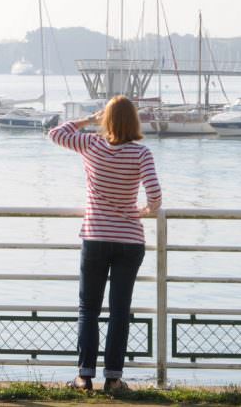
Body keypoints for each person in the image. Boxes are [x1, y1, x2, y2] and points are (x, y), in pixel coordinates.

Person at [48, 96, 162, 392]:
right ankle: (113, 378)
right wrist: (142, 212)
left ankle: (84, 376)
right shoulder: (142, 153)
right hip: (129, 241)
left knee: (89, 309)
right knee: (120, 311)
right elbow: (155, 196)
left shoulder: (91, 145)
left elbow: (55, 134)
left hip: (95, 237)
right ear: (134, 121)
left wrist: (88, 120)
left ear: (106, 120)